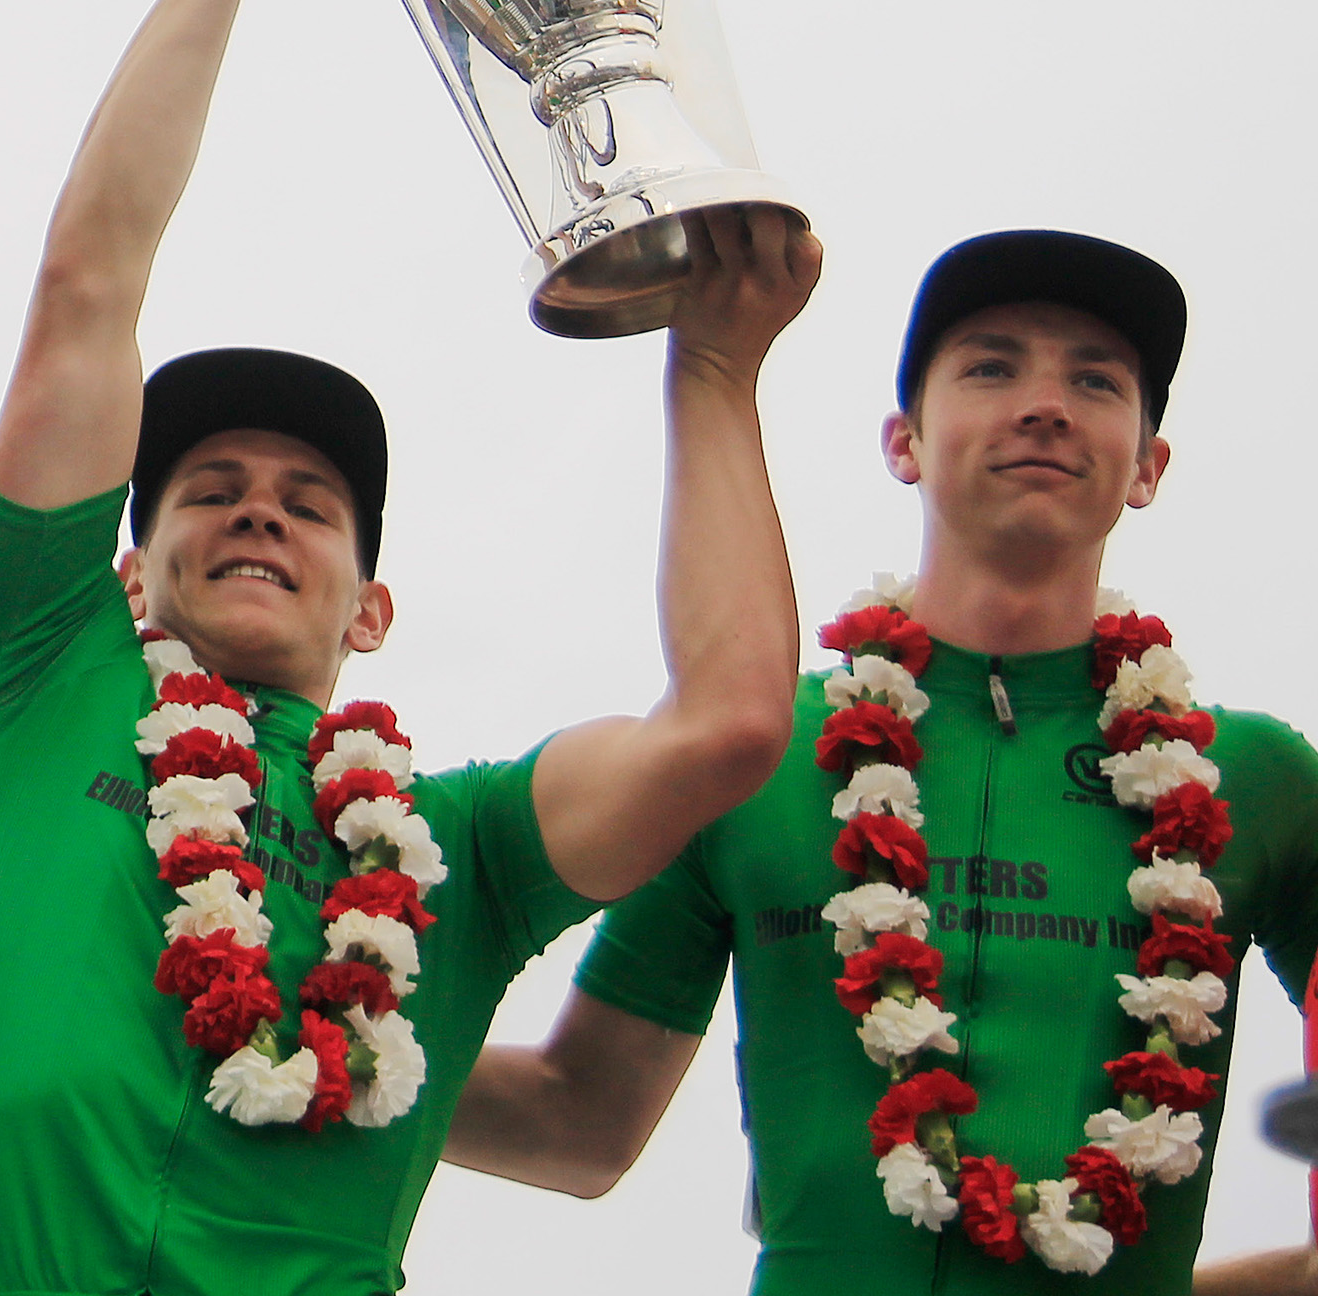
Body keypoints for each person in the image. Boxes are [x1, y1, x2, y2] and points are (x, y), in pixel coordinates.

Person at [0, 0, 820, 1294]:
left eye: (310, 504)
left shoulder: (457, 848)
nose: (260, 509)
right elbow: (91, 289)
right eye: (211, 489)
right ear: (129, 572)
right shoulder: (37, 672)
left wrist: (717, 369)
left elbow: (727, 727)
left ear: (370, 607)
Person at [446, 231, 1318, 1290]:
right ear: (903, 439)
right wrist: (298, 1043)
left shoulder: (1258, 779)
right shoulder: (755, 749)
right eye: (991, 366)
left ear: (1147, 465)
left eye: (1094, 379)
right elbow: (577, 1117)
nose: (1044, 402)